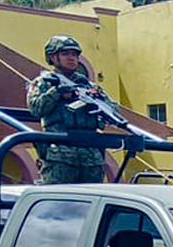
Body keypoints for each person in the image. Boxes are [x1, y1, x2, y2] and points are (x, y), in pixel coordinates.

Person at [26, 35, 114, 185]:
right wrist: (57, 93)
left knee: (92, 198)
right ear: (53, 57)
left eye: (74, 54)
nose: (71, 58)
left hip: (90, 154)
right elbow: (36, 108)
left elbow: (114, 111)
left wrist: (97, 101)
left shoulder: (88, 86)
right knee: (58, 201)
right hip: (60, 153)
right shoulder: (44, 83)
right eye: (66, 54)